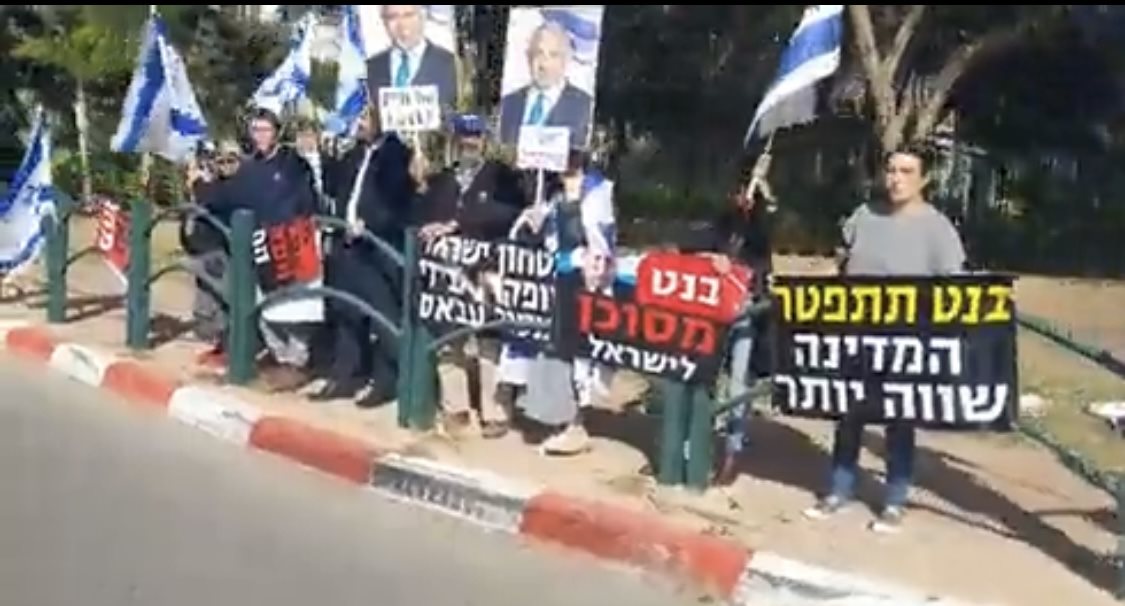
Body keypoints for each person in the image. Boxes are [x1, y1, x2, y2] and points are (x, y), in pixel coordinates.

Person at [804, 144, 966, 534]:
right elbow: (839, 263)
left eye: (906, 172)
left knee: (899, 421)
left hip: (906, 342)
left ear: (924, 180)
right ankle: (838, 490)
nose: (896, 179)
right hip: (856, 337)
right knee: (848, 415)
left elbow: (954, 286)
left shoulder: (938, 228)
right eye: (891, 170)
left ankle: (894, 500)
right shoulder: (863, 216)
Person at [416, 113, 528, 438]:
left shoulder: (501, 177)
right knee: (448, 336)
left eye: (475, 135)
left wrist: (459, 223)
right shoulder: (443, 179)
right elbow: (424, 215)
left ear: (485, 139)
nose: (469, 142)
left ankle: (495, 410)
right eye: (464, 135)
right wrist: (421, 193)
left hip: (487, 268)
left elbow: (509, 213)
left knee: (489, 339)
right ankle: (456, 408)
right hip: (447, 270)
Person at [510, 148, 615, 455]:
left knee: (580, 351)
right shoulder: (554, 194)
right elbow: (543, 236)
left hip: (584, 281)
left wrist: (594, 273)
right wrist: (533, 222)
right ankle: (565, 418)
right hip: (559, 278)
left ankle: (577, 424)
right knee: (562, 348)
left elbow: (601, 241)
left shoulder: (596, 191)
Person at [316, 104, 415, 406]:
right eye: (358, 117)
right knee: (346, 311)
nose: (359, 123)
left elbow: (397, 199)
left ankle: (387, 381)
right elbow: (334, 185)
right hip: (348, 243)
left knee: (381, 315)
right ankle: (345, 374)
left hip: (377, 245)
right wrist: (325, 153)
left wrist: (371, 223)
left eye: (365, 117)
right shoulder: (356, 153)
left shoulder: (396, 154)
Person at [223, 107, 322, 393]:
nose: (261, 136)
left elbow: (307, 200)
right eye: (256, 130)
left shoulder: (293, 163)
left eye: (265, 130)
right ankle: (281, 357)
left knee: (297, 306)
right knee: (264, 307)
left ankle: (298, 362)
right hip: (260, 244)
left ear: (276, 132)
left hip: (291, 243)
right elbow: (232, 198)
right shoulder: (248, 168)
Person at [182, 140, 243, 368]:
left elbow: (215, 199)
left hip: (223, 251)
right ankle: (217, 344)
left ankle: (228, 350)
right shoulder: (216, 182)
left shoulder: (238, 185)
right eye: (220, 160)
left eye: (231, 160)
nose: (225, 165)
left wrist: (198, 182)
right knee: (207, 302)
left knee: (222, 301)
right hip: (204, 249)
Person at [498, 21, 594, 149]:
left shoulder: (586, 107)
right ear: (528, 57)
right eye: (539, 53)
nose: (544, 64)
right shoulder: (507, 104)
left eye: (553, 55)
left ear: (566, 60)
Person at [366, 5, 457, 110]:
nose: (402, 24)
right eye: (393, 17)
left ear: (423, 17)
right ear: (384, 22)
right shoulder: (370, 68)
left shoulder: (452, 66)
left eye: (408, 15)